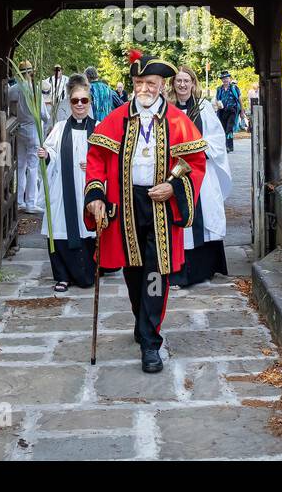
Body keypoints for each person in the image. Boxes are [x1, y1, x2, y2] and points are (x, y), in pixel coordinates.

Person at [84, 50, 207, 374]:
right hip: (125, 204)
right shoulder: (117, 117)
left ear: (162, 84)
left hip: (161, 206)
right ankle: (142, 320)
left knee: (156, 269)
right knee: (133, 268)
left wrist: (172, 186)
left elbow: (193, 163)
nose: (145, 89)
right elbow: (96, 158)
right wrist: (95, 195)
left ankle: (151, 342)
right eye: (139, 82)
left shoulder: (178, 122)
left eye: (151, 83)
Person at [167, 67, 231, 289]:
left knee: (202, 216)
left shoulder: (203, 108)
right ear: (173, 84)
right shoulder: (168, 109)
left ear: (193, 84)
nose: (182, 85)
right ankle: (179, 272)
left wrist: (198, 149)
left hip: (201, 172)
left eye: (186, 81)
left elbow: (217, 138)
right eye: (178, 81)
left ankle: (204, 269)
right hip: (174, 174)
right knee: (179, 218)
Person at [37, 74, 98, 293]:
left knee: (86, 231)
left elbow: (109, 157)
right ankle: (61, 276)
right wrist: (46, 155)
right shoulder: (60, 127)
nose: (80, 105)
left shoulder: (98, 128)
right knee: (60, 227)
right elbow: (51, 150)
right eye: (75, 101)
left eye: (84, 100)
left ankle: (86, 273)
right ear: (69, 102)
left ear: (89, 102)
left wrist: (92, 165)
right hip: (63, 188)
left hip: (87, 188)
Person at [8, 60, 43, 213]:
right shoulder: (34, 90)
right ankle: (30, 203)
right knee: (33, 167)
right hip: (32, 129)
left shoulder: (13, 89)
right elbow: (43, 114)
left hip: (19, 128)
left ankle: (19, 201)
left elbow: (8, 107)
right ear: (30, 73)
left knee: (21, 166)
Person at [214, 71, 242, 152]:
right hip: (222, 111)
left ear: (229, 79)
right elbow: (217, 99)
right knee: (223, 129)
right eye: (223, 78)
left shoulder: (234, 88)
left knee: (229, 129)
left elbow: (240, 99)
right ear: (222, 80)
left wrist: (242, 111)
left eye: (226, 78)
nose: (225, 80)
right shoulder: (219, 89)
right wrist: (217, 105)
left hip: (232, 111)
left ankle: (228, 146)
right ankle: (227, 146)